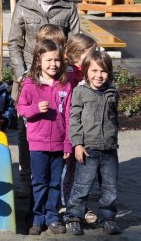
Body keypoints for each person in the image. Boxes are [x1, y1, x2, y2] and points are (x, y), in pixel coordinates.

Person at [8, 0, 80, 194]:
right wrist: (21, 74)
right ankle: (27, 181)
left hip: (57, 81)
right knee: (26, 132)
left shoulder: (68, 8)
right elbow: (14, 43)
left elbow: (75, 45)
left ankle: (56, 182)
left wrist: (67, 72)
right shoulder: (24, 5)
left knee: (57, 125)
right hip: (29, 80)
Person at [17, 39, 73, 235]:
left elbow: (69, 115)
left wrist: (68, 143)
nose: (53, 64)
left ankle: (52, 216)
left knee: (55, 183)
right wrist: (35, 109)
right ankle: (37, 217)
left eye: (57, 60)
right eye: (48, 60)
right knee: (39, 182)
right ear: (38, 60)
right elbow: (21, 108)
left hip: (59, 144)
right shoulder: (30, 84)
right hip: (37, 144)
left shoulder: (65, 85)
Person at [65, 50, 120, 236]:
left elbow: (114, 118)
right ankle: (74, 217)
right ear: (86, 71)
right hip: (87, 149)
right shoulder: (80, 92)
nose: (99, 75)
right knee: (82, 186)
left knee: (110, 187)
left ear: (109, 73)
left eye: (103, 71)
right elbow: (74, 120)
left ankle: (108, 218)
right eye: (94, 70)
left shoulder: (112, 92)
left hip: (109, 149)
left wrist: (113, 138)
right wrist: (77, 144)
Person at [62, 33, 99, 220]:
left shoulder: (88, 71)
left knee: (81, 168)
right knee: (67, 170)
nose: (94, 56)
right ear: (77, 54)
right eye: (91, 53)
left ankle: (78, 203)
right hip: (71, 127)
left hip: (87, 127)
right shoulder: (69, 74)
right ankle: (68, 203)